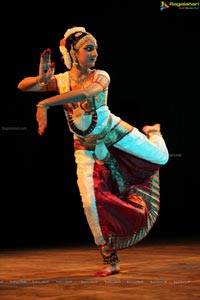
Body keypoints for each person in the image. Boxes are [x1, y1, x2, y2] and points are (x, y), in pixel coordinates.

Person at [17, 26, 169, 277]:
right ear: (73, 54)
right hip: (85, 147)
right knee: (90, 203)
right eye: (88, 48)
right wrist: (41, 81)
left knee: (161, 157)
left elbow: (87, 92)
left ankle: (153, 131)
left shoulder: (101, 76)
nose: (95, 53)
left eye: (95, 48)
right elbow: (22, 86)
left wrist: (44, 102)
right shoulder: (63, 80)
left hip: (114, 134)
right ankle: (111, 260)